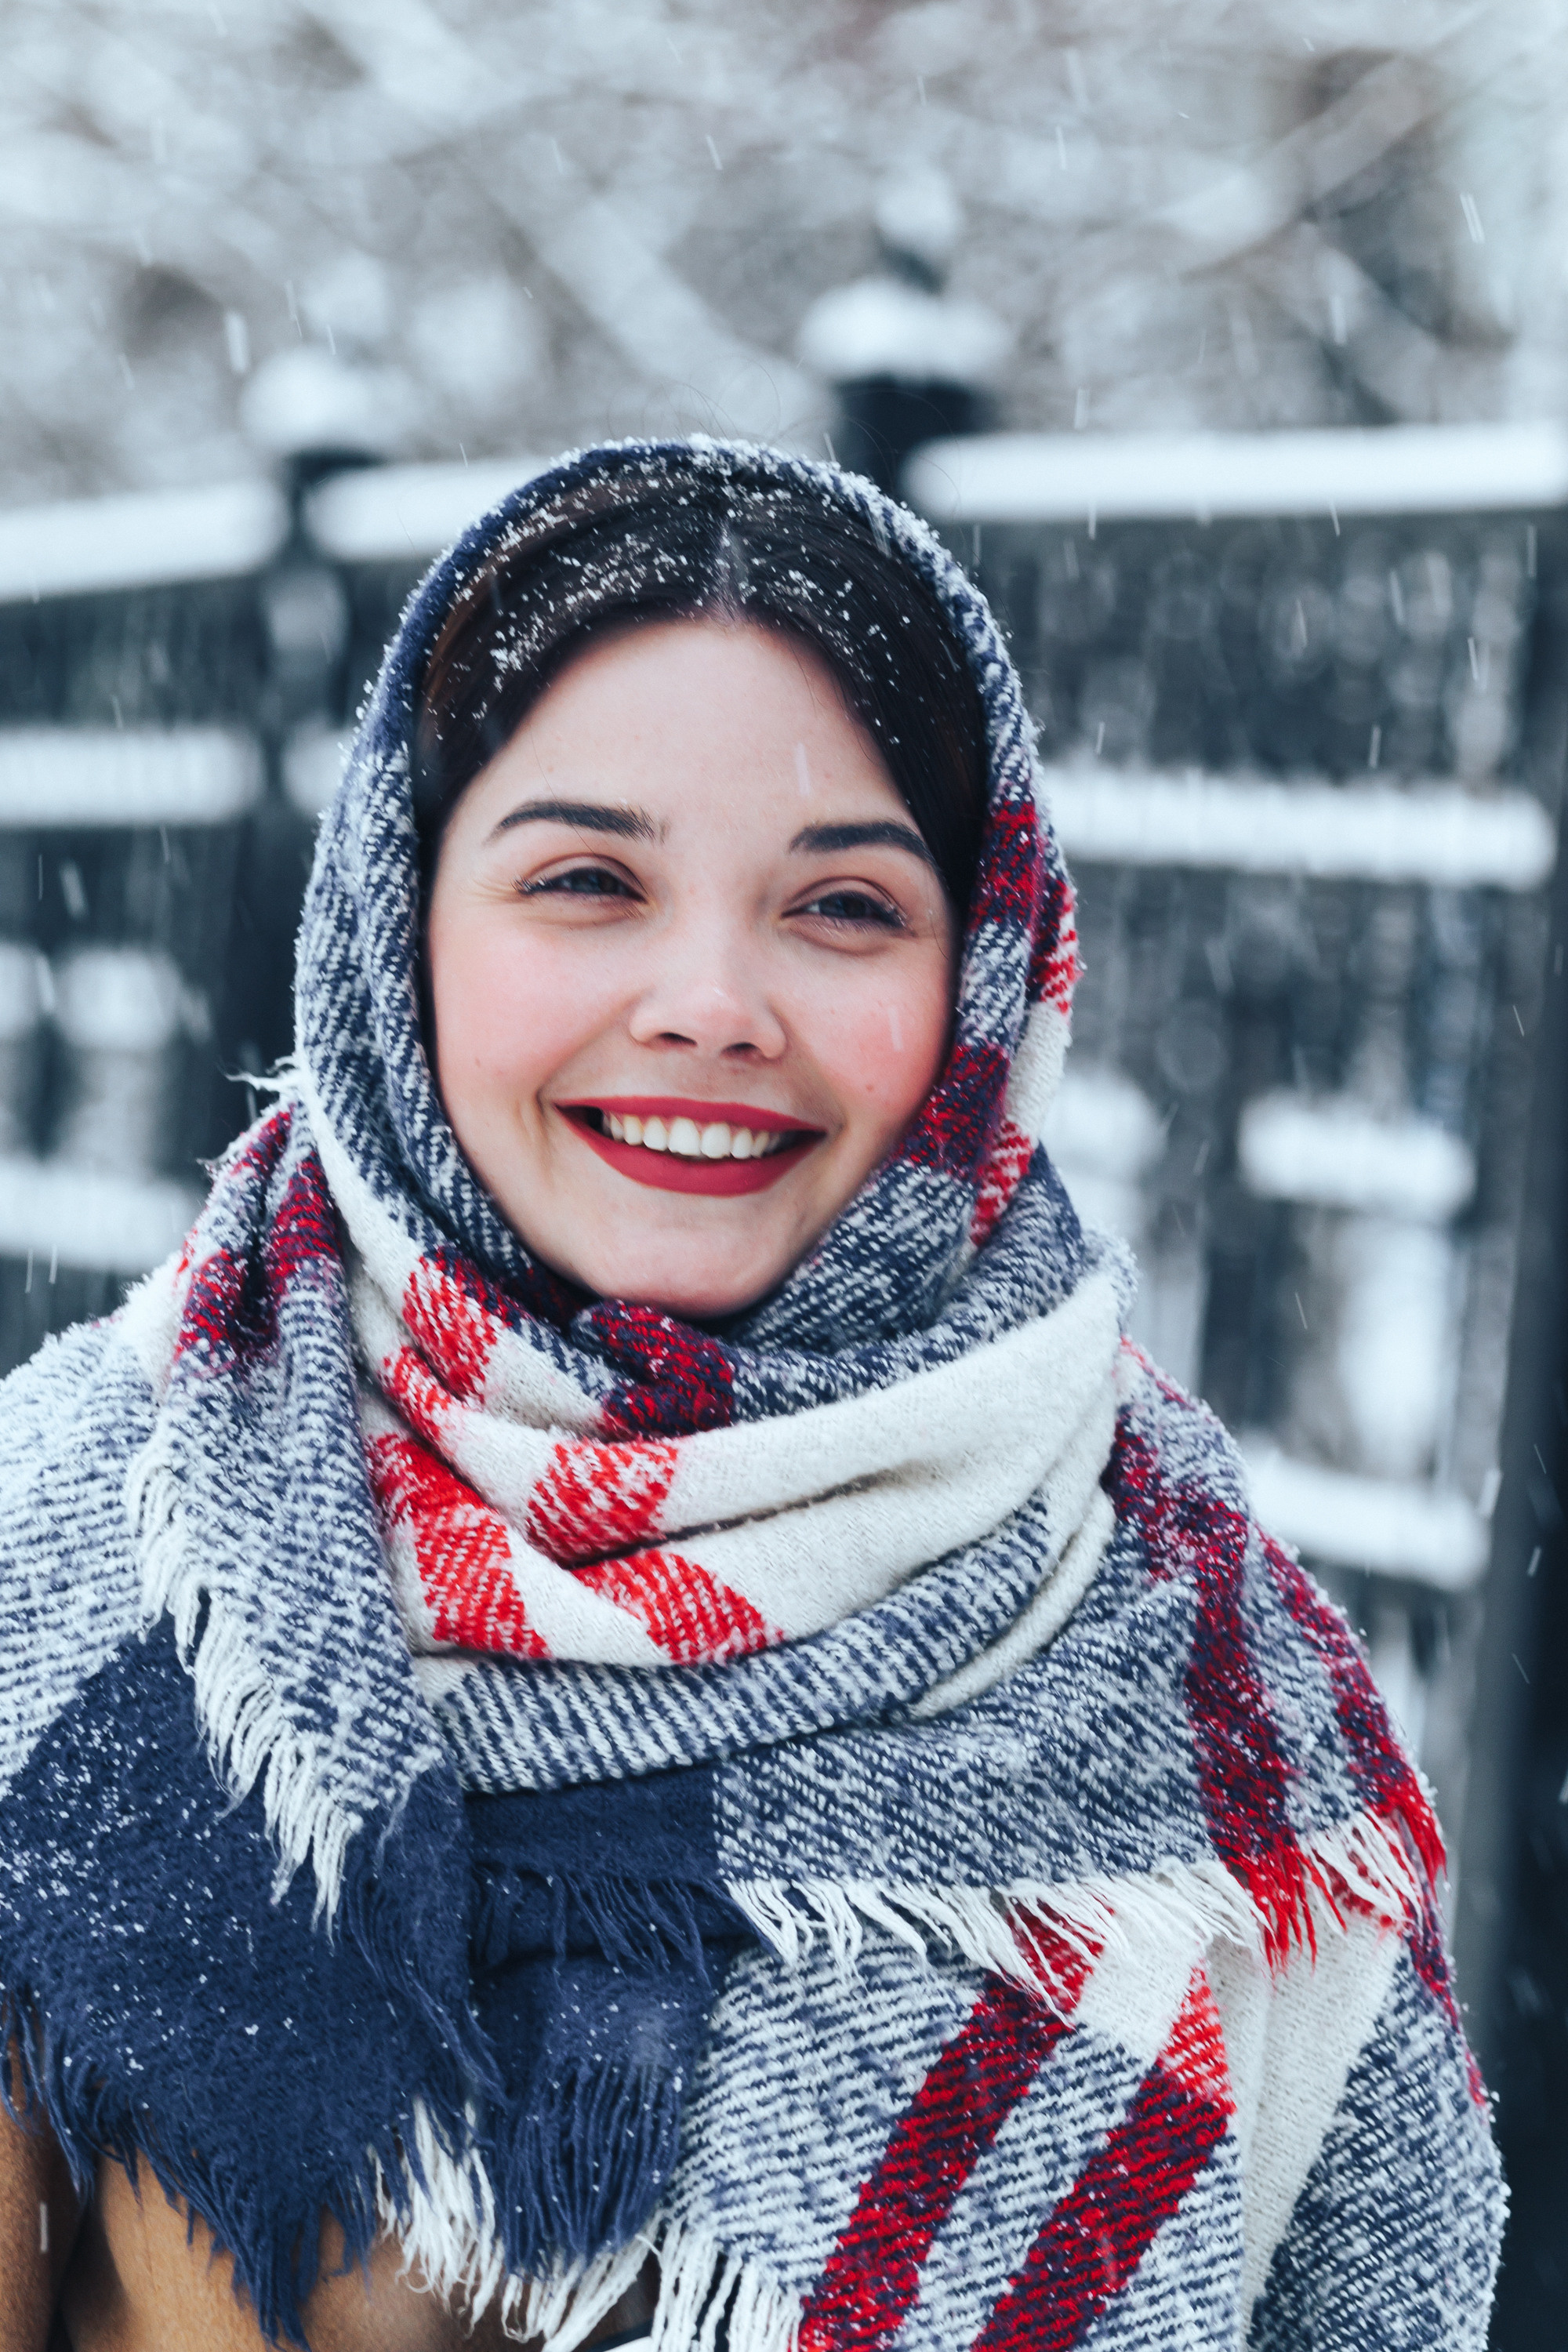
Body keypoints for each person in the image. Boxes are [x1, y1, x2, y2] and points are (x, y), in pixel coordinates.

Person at [0, 440, 1501, 2352]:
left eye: (846, 908)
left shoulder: (1213, 1694)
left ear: (984, 975)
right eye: (585, 879)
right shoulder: (79, 1551)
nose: (712, 997)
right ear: (401, 928)